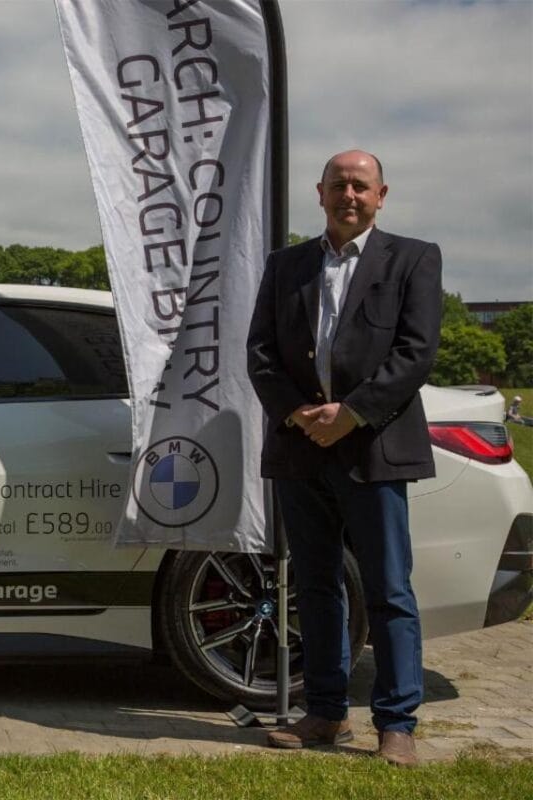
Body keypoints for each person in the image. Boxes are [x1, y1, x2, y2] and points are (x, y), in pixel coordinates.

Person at [247, 150, 442, 767]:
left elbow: (415, 353)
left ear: (381, 195)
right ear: (320, 193)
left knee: (388, 588)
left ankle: (397, 725)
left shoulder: (413, 258)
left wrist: (352, 413)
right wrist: (297, 413)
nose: (349, 194)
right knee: (315, 586)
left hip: (374, 448)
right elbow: (260, 352)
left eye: (360, 185)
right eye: (339, 185)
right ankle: (326, 713)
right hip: (301, 448)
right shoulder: (286, 266)